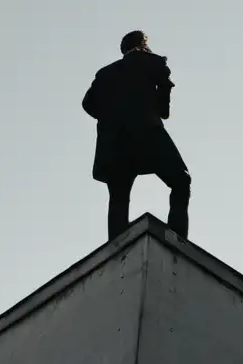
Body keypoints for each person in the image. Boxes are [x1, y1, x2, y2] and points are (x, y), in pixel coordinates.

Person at [82, 31, 191, 240]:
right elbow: (163, 111)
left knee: (118, 197)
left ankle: (116, 247)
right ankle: (177, 241)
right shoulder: (153, 63)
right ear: (143, 45)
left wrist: (111, 117)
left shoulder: (104, 74)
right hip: (147, 134)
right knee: (181, 182)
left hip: (114, 142)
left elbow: (88, 104)